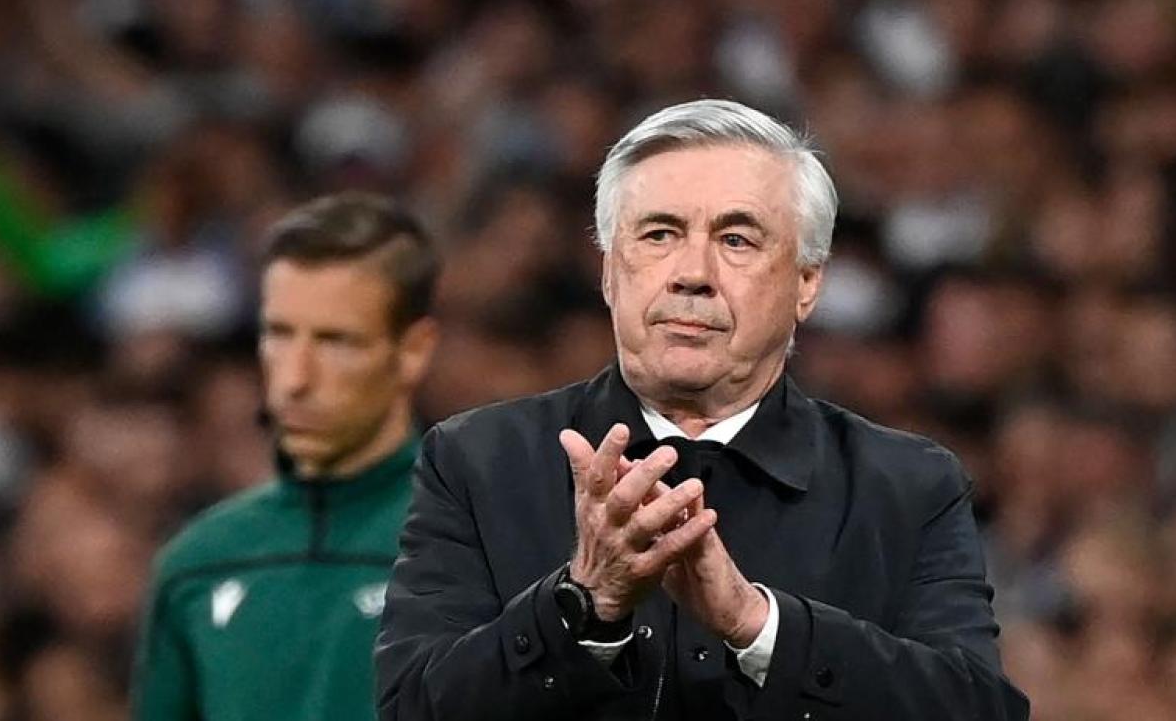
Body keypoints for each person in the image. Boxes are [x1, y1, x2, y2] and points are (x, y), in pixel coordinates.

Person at [375, 99, 1030, 720]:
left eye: (737, 240)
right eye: (659, 234)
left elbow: (976, 709)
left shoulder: (909, 485)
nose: (692, 273)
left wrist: (758, 626)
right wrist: (581, 604)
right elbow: (412, 710)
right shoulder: (476, 461)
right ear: (609, 271)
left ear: (807, 283)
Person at [133, 192, 440, 721]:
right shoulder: (195, 564)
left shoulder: (484, 548)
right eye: (278, 334)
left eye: (335, 341)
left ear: (413, 350)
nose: (295, 379)